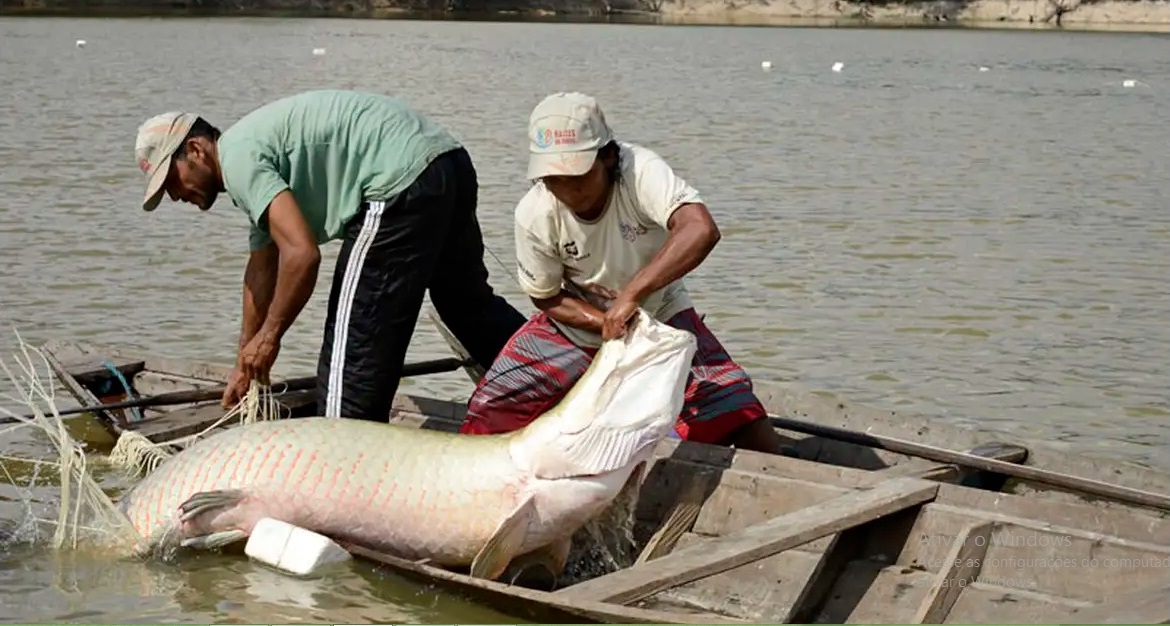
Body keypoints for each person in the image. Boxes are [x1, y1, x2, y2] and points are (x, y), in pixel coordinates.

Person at [133, 89, 527, 421]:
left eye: (171, 180)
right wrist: (244, 360)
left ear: (196, 149)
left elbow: (302, 256)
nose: (175, 196)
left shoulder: (239, 161)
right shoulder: (250, 153)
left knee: (351, 359)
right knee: (467, 307)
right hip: (447, 162)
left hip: (397, 182)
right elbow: (262, 266)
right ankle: (558, 378)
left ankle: (345, 472)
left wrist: (270, 338)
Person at [457, 92, 788, 455]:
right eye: (553, 178)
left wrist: (632, 296)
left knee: (737, 410)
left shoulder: (639, 171)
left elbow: (699, 229)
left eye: (577, 175)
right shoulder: (534, 212)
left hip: (659, 315)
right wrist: (603, 321)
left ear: (608, 157)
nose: (566, 190)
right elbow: (546, 295)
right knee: (489, 409)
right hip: (574, 324)